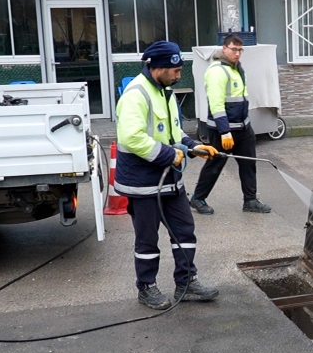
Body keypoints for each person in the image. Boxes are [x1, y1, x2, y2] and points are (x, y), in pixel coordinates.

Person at [115, 40, 220, 310]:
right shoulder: (136, 94)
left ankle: (187, 283)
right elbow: (131, 137)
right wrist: (169, 155)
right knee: (148, 239)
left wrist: (194, 146)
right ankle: (146, 288)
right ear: (157, 68)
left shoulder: (167, 92)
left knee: (184, 230)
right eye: (174, 70)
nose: (178, 74)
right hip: (144, 183)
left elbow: (175, 134)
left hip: (170, 180)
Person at [190, 34, 271, 215]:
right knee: (215, 165)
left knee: (248, 165)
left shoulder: (236, 68)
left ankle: (250, 200)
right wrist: (225, 131)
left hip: (243, 128)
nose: (237, 53)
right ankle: (197, 198)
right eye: (234, 49)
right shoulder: (217, 71)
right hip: (223, 131)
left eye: (240, 50)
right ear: (224, 48)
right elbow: (216, 104)